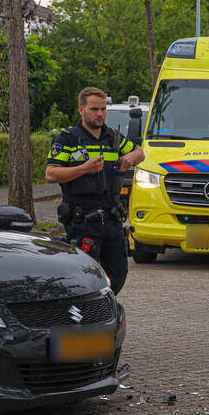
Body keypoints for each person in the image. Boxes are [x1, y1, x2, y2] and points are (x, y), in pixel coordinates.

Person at [46, 86, 144, 293]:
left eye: (102, 109)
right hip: (83, 222)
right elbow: (51, 173)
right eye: (94, 109)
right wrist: (84, 168)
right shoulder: (68, 139)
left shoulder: (113, 137)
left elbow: (140, 153)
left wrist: (130, 157)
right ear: (81, 110)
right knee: (85, 275)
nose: (100, 114)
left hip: (112, 219)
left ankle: (104, 308)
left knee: (119, 273)